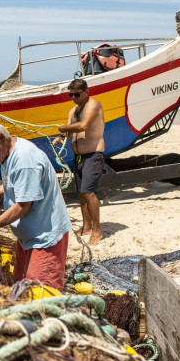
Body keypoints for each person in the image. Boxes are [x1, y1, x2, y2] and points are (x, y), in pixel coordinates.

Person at [0, 118, 71, 290]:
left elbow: (23, 206)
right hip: (27, 238)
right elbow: (17, 183)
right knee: (19, 285)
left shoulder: (24, 159)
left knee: (39, 293)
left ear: (0, 137)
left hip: (44, 238)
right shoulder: (7, 153)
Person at [53, 78, 106, 245]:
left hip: (93, 154)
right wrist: (61, 137)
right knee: (82, 193)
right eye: (71, 94)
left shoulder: (94, 105)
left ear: (85, 92)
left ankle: (97, 230)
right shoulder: (72, 111)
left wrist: (63, 128)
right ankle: (86, 227)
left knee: (89, 192)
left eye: (76, 94)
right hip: (79, 157)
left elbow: (84, 126)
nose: (73, 97)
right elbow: (69, 130)